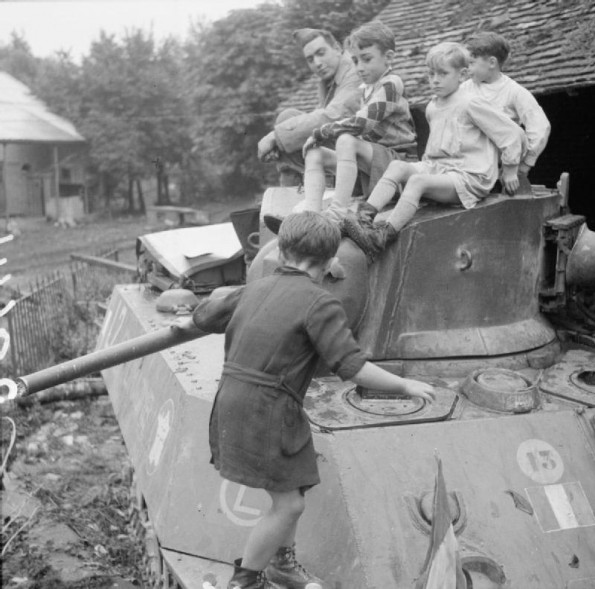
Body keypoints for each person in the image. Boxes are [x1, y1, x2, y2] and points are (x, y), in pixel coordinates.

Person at [189, 211, 435, 589]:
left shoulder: (252, 289)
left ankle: (282, 564)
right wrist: (405, 386)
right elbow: (351, 367)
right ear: (332, 261)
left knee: (295, 483)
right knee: (290, 504)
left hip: (233, 402)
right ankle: (245, 581)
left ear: (280, 249)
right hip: (267, 411)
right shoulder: (320, 303)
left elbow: (204, 315)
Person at [343, 41, 526, 262]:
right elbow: (438, 146)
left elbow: (512, 134)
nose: (435, 80)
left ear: (462, 74)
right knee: (397, 166)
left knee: (418, 182)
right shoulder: (433, 106)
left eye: (442, 73)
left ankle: (382, 236)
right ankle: (364, 218)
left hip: (468, 176)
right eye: (431, 74)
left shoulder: (471, 103)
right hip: (440, 168)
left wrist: (510, 169)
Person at [297, 20, 417, 222]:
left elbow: (362, 123)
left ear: (388, 58)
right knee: (315, 152)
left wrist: (321, 132)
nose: (359, 67)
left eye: (366, 59)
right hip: (373, 166)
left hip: (398, 165)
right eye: (355, 61)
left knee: (345, 140)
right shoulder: (365, 89)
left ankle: (337, 213)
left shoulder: (392, 84)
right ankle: (311, 217)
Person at [257, 28, 361, 180]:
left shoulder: (355, 71)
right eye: (310, 59)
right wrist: (280, 141)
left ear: (337, 48)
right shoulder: (328, 81)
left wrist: (275, 137)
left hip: (368, 157)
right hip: (346, 152)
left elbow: (333, 116)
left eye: (321, 53)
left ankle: (294, 194)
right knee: (288, 118)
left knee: (287, 125)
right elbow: (316, 118)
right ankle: (294, 193)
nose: (317, 63)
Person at [462, 31, 551, 179]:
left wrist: (525, 164)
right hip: (469, 166)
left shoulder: (514, 91)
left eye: (471, 63)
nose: (467, 69)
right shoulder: (464, 89)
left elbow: (540, 126)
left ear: (492, 62)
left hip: (502, 169)